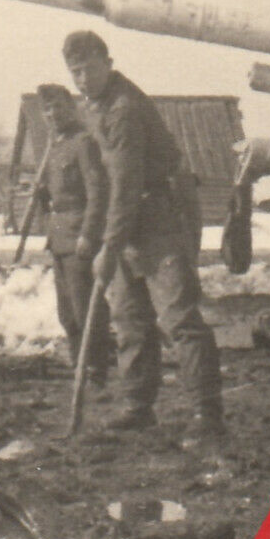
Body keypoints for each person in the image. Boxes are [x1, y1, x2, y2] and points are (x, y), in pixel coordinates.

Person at [62, 30, 225, 448]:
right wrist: (104, 239)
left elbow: (126, 185)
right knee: (130, 318)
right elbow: (102, 184)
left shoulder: (123, 109)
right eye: (75, 72)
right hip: (127, 221)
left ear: (108, 63)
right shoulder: (93, 107)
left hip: (158, 218)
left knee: (179, 318)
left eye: (89, 69)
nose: (83, 79)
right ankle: (138, 406)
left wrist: (109, 247)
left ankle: (207, 413)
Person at [33, 83, 113, 387]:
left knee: (86, 308)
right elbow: (56, 197)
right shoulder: (55, 146)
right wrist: (42, 195)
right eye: (47, 109)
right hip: (59, 238)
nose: (52, 114)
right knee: (66, 312)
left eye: (58, 107)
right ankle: (79, 364)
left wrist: (89, 234)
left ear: (71, 108)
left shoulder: (83, 143)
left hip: (79, 235)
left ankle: (96, 369)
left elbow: (97, 193)